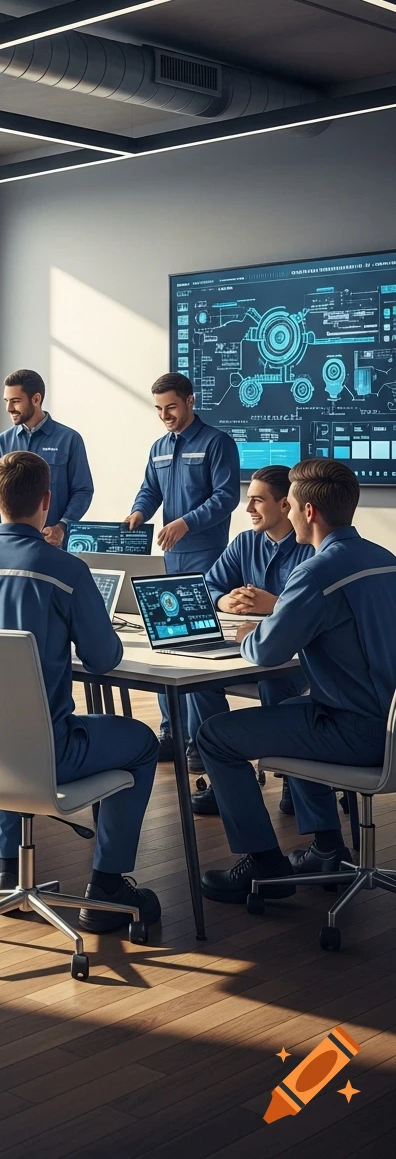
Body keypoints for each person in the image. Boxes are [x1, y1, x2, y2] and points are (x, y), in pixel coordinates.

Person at [0, 451, 161, 933]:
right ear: (46, 500)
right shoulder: (66, 571)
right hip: (49, 752)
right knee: (143, 743)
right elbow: (104, 660)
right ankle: (106, 884)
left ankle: (9, 872)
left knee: (0, 720)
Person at [198, 459, 396, 903]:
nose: (285, 514)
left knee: (214, 737)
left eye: (291, 507)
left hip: (357, 731)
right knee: (290, 712)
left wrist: (250, 633)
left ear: (308, 512)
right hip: (387, 723)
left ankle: (264, 865)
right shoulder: (386, 561)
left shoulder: (317, 571)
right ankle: (328, 849)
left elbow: (268, 651)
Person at [125, 372, 240, 765]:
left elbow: (226, 497)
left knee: (200, 650)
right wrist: (140, 512)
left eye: (171, 407)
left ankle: (201, 741)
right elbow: (150, 489)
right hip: (170, 556)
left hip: (206, 556)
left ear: (191, 401)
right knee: (168, 644)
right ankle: (171, 734)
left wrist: (186, 522)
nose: (165, 416)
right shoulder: (159, 447)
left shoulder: (217, 443)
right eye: (159, 409)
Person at [189, 465, 314, 816]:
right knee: (198, 682)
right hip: (247, 652)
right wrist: (222, 600)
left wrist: (275, 604)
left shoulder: (312, 547)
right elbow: (209, 586)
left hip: (295, 659)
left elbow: (318, 608)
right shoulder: (245, 542)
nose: (248, 510)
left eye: (257, 501)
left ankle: (294, 776)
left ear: (285, 504)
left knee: (277, 685)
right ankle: (224, 778)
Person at [0, 369, 93, 549]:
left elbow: (83, 490)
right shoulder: (2, 442)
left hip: (53, 544)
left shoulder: (69, 439)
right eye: (7, 401)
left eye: (15, 401)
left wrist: (62, 526)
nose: (8, 408)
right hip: (11, 544)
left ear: (36, 399)